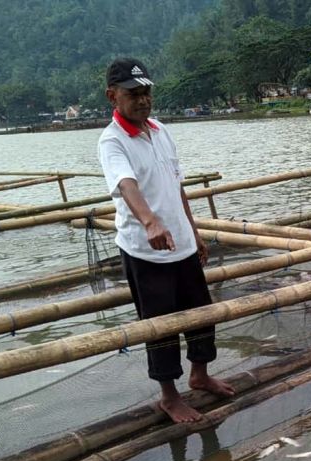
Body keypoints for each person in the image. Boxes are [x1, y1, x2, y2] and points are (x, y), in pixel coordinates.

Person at [98, 57, 234, 423]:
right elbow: (126, 185)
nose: (142, 100)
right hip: (146, 251)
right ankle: (170, 396)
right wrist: (150, 222)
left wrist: (194, 232)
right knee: (160, 326)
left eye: (146, 92)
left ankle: (200, 374)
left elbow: (177, 187)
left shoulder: (160, 131)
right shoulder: (112, 141)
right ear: (113, 96)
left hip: (182, 245)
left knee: (202, 315)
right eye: (133, 94)